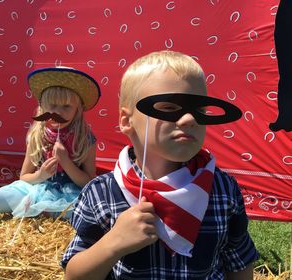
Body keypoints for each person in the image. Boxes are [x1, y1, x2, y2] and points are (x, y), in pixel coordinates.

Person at [61, 51, 259, 279]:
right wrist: (112, 244)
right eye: (168, 108)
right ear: (127, 121)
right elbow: (73, 275)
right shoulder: (101, 194)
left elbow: (238, 261)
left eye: (200, 111)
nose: (188, 119)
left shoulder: (223, 189)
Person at [0, 67, 101, 237]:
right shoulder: (38, 134)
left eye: (67, 106)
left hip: (70, 199)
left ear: (78, 108)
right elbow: (24, 176)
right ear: (43, 105)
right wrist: (41, 175)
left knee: (92, 216)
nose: (58, 113)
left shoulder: (85, 139)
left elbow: (88, 182)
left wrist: (66, 162)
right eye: (53, 105)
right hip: (35, 191)